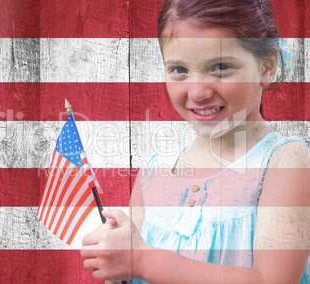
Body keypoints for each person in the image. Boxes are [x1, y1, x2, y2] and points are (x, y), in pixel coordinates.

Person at [80, 0, 310, 283]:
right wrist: (119, 263)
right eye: (179, 70)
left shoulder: (283, 161)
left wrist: (140, 259)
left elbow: (273, 280)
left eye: (221, 67)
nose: (198, 92)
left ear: (267, 67)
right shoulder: (155, 170)